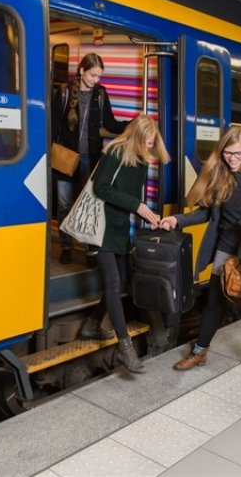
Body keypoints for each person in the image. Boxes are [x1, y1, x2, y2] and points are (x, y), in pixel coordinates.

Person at [156, 126, 241, 389]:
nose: (233, 159)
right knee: (213, 303)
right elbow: (206, 214)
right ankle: (199, 352)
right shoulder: (218, 173)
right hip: (227, 247)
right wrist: (176, 220)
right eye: (228, 153)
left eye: (239, 154)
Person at [84, 114, 170, 373]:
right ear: (135, 136)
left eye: (153, 142)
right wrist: (138, 206)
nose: (149, 147)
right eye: (146, 141)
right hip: (100, 226)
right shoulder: (114, 153)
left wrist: (150, 216)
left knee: (122, 280)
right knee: (112, 281)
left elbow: (130, 199)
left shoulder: (141, 161)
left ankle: (91, 324)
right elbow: (101, 188)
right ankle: (125, 347)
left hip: (119, 227)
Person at [52, 53, 127, 267]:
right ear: (82, 71)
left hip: (91, 157)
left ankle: (89, 250)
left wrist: (132, 123)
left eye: (99, 76)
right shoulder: (65, 93)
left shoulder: (101, 94)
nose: (96, 80)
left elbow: (110, 123)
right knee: (65, 204)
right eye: (93, 75)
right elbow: (53, 124)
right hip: (65, 158)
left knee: (89, 204)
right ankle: (66, 247)